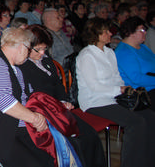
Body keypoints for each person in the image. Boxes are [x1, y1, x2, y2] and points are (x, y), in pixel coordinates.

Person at [19, 25, 105, 167]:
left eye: (44, 49)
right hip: (44, 112)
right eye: (38, 49)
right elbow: (32, 95)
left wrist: (64, 100)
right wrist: (55, 105)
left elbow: (57, 85)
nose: (42, 53)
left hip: (58, 109)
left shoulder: (46, 61)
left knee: (90, 135)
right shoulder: (22, 65)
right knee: (74, 141)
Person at [0, 27, 53, 167]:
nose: (28, 53)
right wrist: (35, 118)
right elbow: (5, 101)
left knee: (52, 154)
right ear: (21, 47)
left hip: (17, 128)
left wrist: (40, 115)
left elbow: (28, 96)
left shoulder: (16, 68)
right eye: (28, 49)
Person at [77, 17, 155, 167]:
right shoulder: (86, 56)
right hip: (95, 101)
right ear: (95, 35)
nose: (109, 33)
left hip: (113, 98)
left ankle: (148, 161)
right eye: (105, 31)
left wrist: (123, 90)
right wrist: (118, 89)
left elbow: (116, 76)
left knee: (150, 116)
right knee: (136, 122)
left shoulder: (109, 52)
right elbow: (94, 86)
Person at [115, 16, 155, 105]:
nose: (145, 33)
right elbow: (136, 78)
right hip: (143, 92)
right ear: (131, 32)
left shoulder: (143, 47)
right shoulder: (124, 52)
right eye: (142, 30)